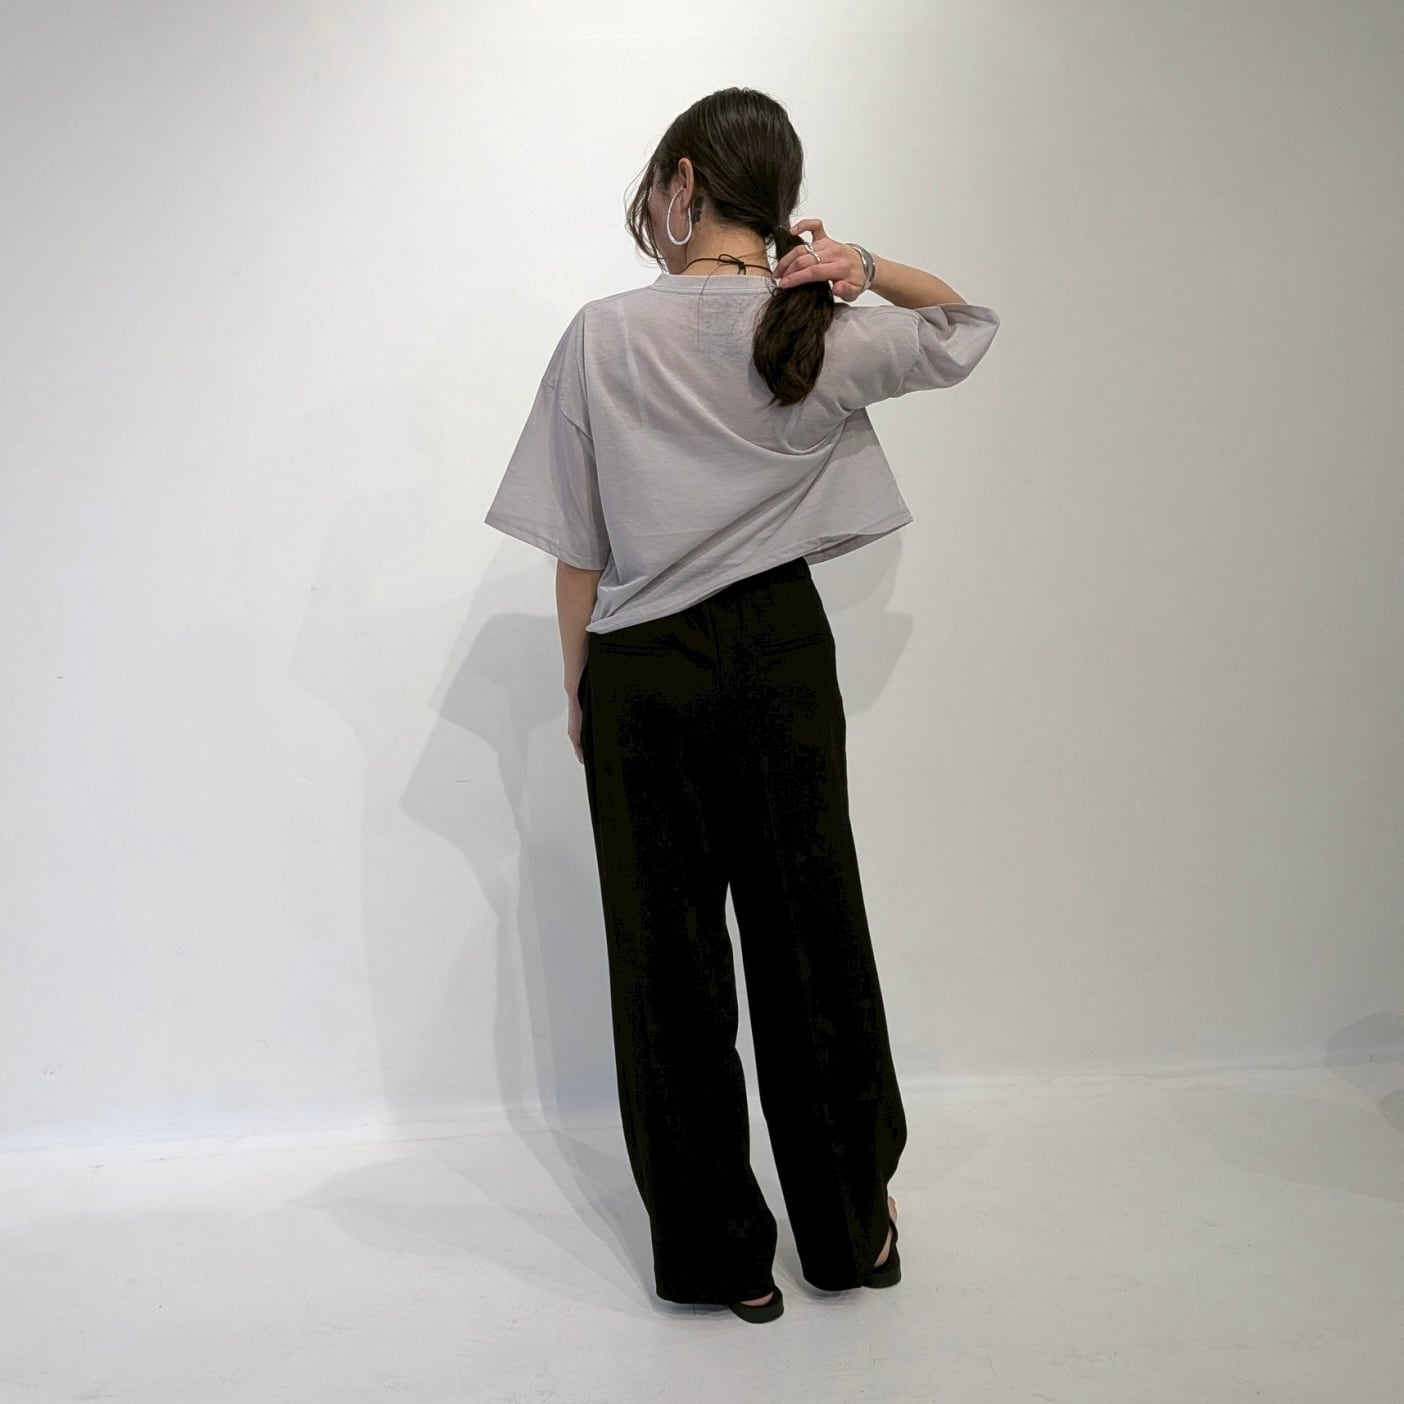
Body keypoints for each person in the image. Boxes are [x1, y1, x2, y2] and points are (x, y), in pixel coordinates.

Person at [484, 87, 999, 1324]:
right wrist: (862, 266)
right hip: (779, 654)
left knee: (666, 960)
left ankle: (721, 1260)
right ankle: (848, 1233)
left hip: (642, 668)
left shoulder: (602, 335)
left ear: (680, 183)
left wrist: (578, 684)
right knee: (811, 937)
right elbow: (965, 326)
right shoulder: (819, 329)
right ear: (776, 201)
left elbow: (577, 543)